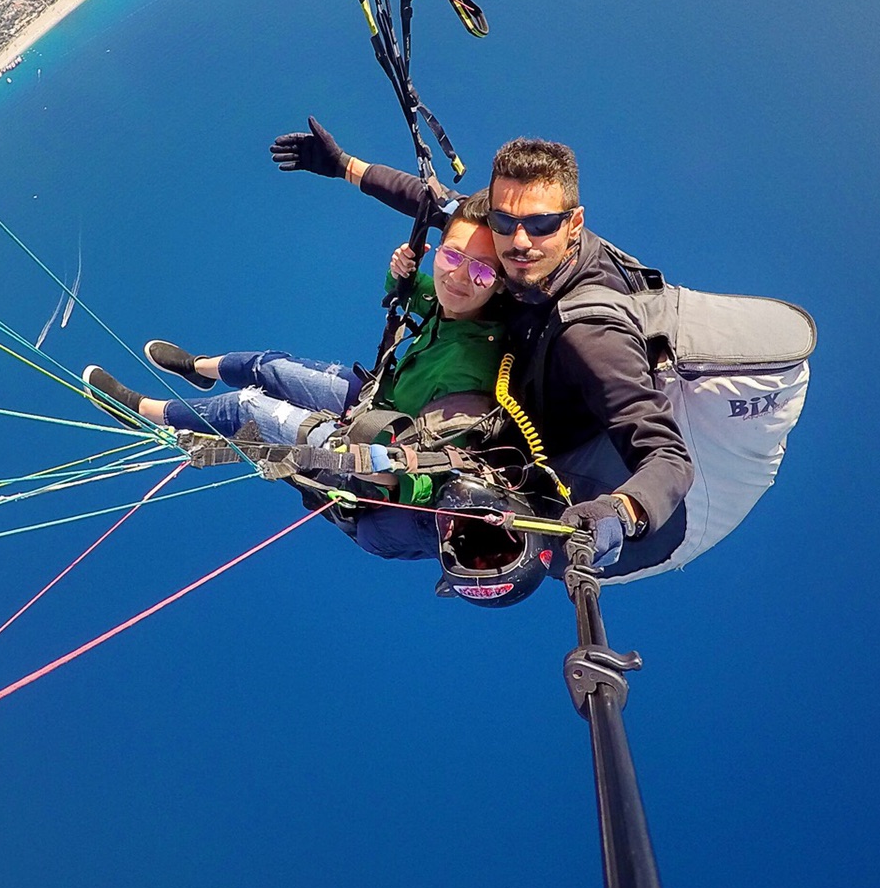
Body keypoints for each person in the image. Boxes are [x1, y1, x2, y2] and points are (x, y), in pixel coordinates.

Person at [270, 119, 693, 574]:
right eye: (504, 222)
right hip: (485, 387)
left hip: (523, 449)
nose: (519, 241)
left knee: (377, 532)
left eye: (541, 223)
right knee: (274, 373)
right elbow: (431, 202)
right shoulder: (501, 236)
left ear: (574, 224)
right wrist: (343, 165)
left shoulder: (589, 330)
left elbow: (667, 455)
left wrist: (622, 511)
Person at [81, 191, 510, 560]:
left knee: (247, 406)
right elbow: (408, 291)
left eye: (481, 271)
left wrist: (380, 469)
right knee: (269, 367)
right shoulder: (454, 300)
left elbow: (437, 476)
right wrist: (399, 271)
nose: (459, 275)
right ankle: (198, 369)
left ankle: (139, 409)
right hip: (379, 402)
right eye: (453, 255)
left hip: (377, 455)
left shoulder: (471, 368)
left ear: (500, 285)